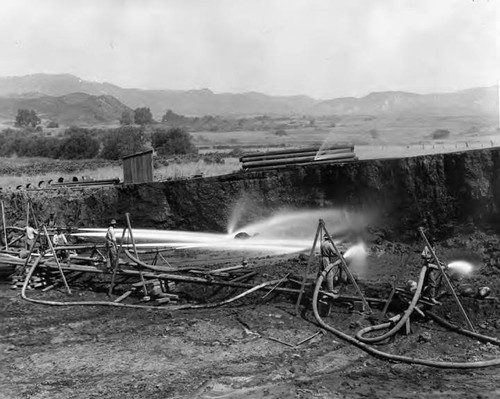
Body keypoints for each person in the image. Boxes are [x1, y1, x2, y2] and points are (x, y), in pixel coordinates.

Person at [320, 233, 344, 298]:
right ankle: (330, 289)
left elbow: (325, 252)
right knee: (329, 274)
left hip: (322, 258)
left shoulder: (322, 243)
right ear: (329, 238)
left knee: (321, 272)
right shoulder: (329, 244)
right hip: (326, 259)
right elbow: (334, 252)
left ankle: (319, 285)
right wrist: (340, 255)